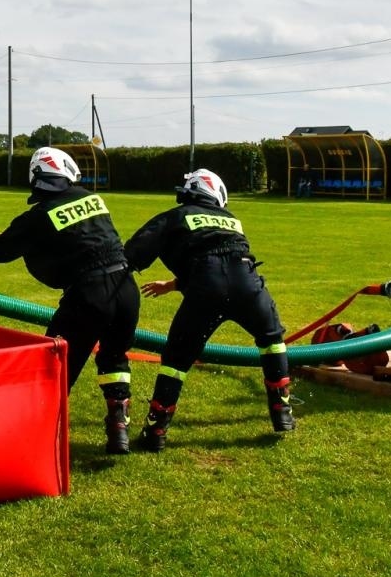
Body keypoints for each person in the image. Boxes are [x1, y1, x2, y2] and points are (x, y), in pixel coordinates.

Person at [0, 147, 139, 454]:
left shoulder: (38, 216)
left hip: (88, 294)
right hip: (126, 290)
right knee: (114, 358)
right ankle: (118, 426)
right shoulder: (93, 199)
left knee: (54, 366)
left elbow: (5, 246)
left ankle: (32, 437)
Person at [123, 169, 295, 449]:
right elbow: (225, 261)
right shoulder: (231, 220)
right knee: (272, 340)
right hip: (248, 283)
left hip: (206, 287)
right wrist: (174, 285)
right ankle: (282, 412)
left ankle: (156, 431)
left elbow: (135, 252)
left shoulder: (176, 216)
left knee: (176, 360)